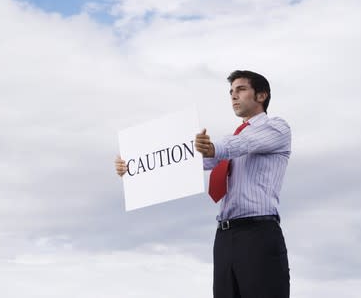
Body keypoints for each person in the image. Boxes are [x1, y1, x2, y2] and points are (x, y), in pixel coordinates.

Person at [114, 70, 291, 298]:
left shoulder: (276, 128)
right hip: (225, 237)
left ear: (261, 96)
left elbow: (240, 145)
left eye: (241, 90)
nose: (234, 96)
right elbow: (191, 161)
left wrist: (213, 148)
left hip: (258, 233)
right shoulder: (231, 139)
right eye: (231, 92)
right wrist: (133, 168)